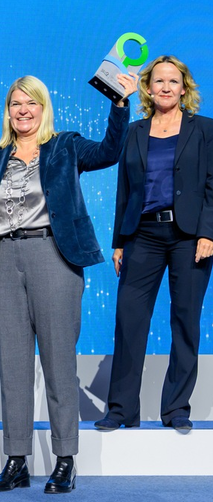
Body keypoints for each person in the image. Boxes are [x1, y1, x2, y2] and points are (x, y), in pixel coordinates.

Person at [0, 74, 134, 493]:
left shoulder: (65, 145)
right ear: (7, 111)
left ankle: (64, 460)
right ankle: (16, 459)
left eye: (31, 104)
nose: (23, 110)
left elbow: (110, 152)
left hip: (53, 257)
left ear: (44, 109)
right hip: (3, 263)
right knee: (13, 367)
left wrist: (119, 105)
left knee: (59, 363)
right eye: (15, 104)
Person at [95, 56, 213, 433]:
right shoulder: (134, 131)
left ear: (184, 88)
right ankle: (121, 410)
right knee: (129, 321)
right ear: (147, 88)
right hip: (141, 235)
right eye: (158, 81)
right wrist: (119, 241)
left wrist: (208, 232)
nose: (165, 87)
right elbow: (124, 190)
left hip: (189, 237)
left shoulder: (206, 130)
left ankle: (176, 408)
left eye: (173, 81)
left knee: (185, 321)